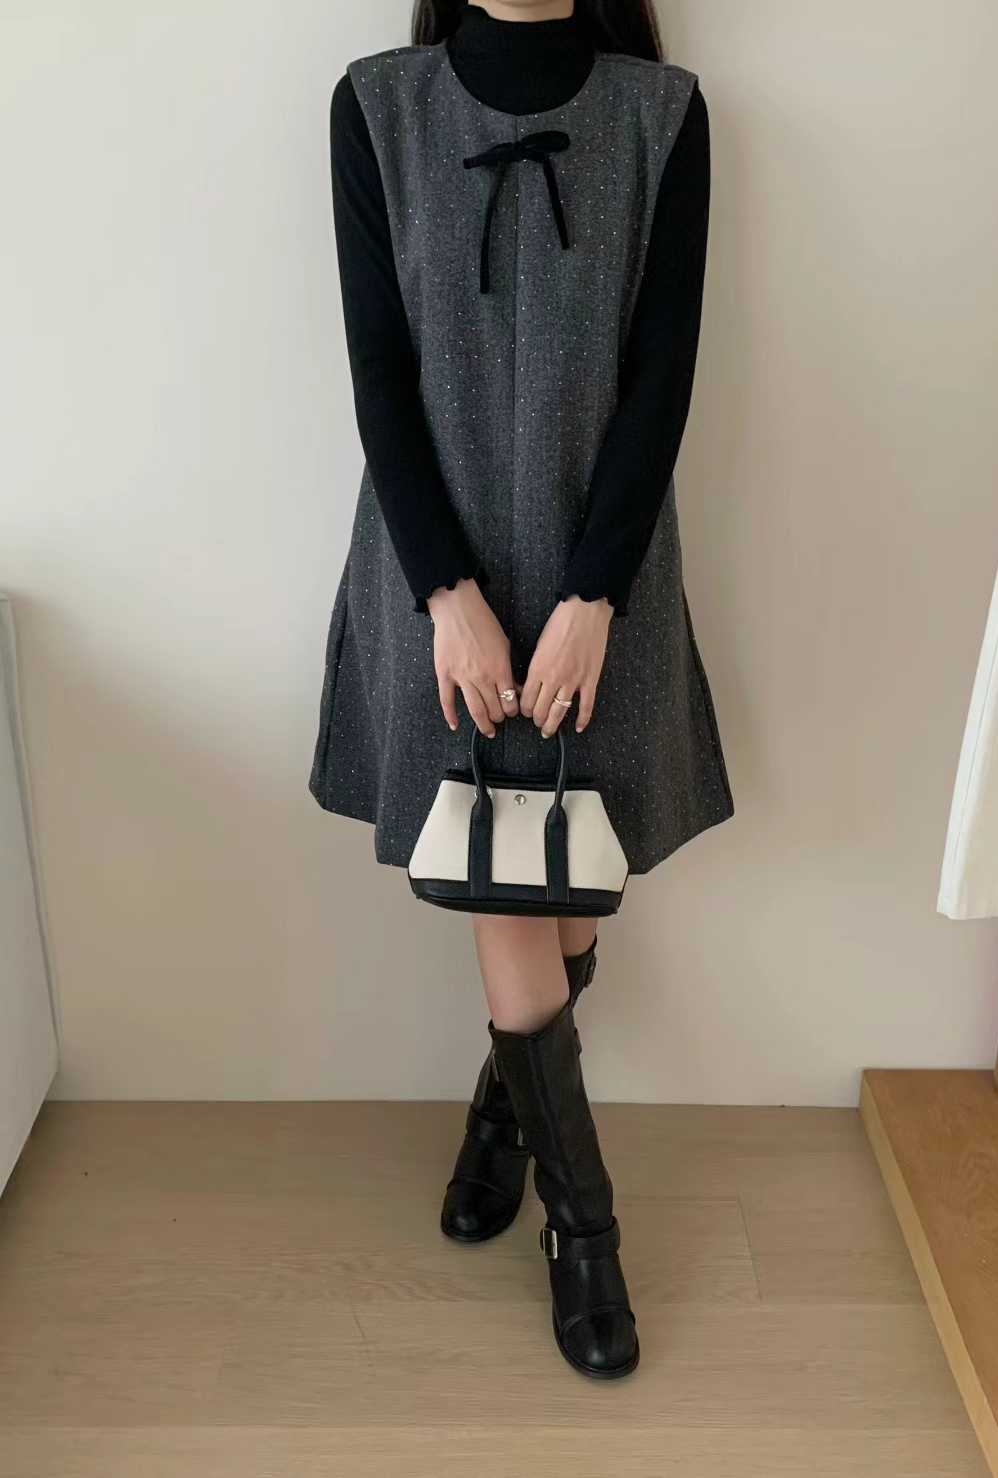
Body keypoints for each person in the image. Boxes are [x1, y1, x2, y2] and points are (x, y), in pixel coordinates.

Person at [309, 0, 734, 1379]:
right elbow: (378, 373)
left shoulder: (663, 119)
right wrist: (449, 596)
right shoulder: (376, 108)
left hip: (599, 580)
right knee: (509, 892)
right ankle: (586, 1234)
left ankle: (505, 1109)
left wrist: (593, 600)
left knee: (560, 891)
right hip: (437, 583)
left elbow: (662, 380)